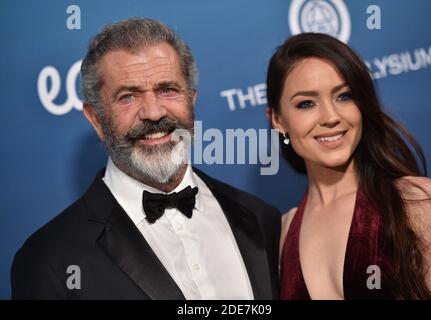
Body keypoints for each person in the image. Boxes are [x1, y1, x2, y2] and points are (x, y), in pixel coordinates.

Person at [11, 18, 280, 300]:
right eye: (128, 97)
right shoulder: (50, 261)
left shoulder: (260, 219)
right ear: (96, 119)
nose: (153, 113)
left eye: (167, 90)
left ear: (192, 99)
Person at [266, 33, 431, 300]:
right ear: (278, 119)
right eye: (306, 103)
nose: (331, 117)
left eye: (344, 96)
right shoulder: (283, 233)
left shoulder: (414, 201)